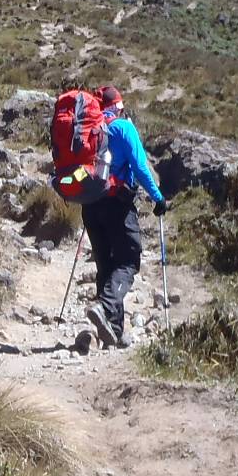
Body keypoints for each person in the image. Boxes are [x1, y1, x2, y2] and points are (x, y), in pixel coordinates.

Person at [81, 85, 166, 349]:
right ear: (118, 105)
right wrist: (158, 198)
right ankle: (105, 307)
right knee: (128, 261)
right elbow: (140, 167)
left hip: (90, 204)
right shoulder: (123, 128)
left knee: (106, 265)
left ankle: (112, 331)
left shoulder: (87, 128)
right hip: (117, 204)